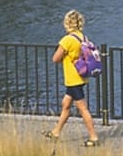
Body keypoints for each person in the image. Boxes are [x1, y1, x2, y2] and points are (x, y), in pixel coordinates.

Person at [42, 9, 99, 147]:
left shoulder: (67, 40)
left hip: (73, 79)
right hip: (81, 77)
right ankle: (56, 132)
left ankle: (94, 137)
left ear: (67, 23)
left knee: (82, 108)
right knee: (66, 105)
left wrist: (63, 57)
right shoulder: (82, 37)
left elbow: (55, 58)